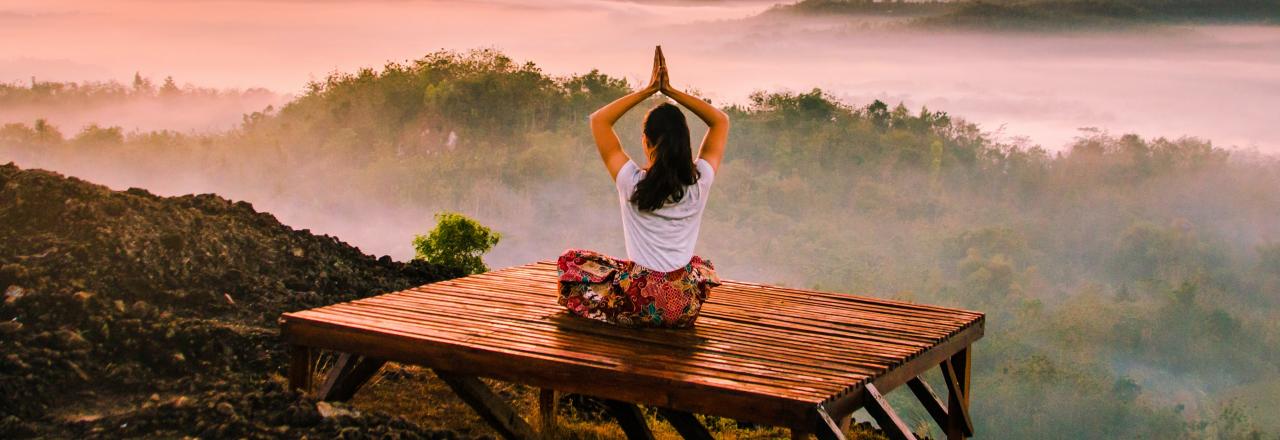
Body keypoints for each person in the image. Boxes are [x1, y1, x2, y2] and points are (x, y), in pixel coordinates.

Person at [557, 46, 729, 328]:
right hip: (681, 307)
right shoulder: (700, 182)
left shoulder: (631, 182)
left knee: (571, 261)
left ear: (646, 142)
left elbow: (599, 120)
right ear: (685, 144)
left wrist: (649, 90)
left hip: (636, 302)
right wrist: (670, 91)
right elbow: (720, 121)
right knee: (697, 266)